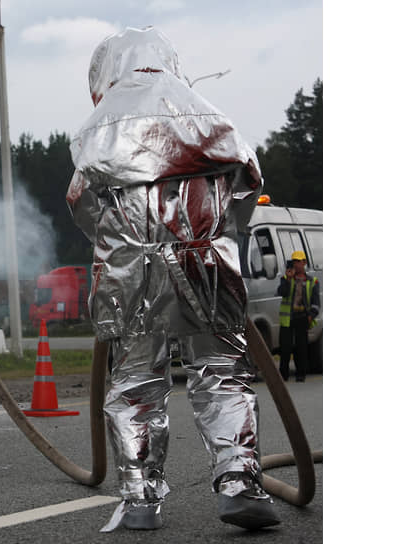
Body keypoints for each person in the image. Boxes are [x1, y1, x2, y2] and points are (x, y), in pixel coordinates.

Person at [66, 27, 280, 531]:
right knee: (222, 373)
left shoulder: (97, 125)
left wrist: (116, 244)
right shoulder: (209, 114)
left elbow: (81, 203)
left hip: (130, 273)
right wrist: (221, 234)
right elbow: (248, 182)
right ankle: (238, 483)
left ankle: (140, 497)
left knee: (137, 382)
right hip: (207, 265)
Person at [277, 250, 320, 382]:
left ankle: (301, 374)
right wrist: (289, 279)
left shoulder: (312, 281)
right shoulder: (285, 279)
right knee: (285, 348)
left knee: (301, 348)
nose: (296, 264)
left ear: (304, 263)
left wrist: (311, 316)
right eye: (294, 261)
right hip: (287, 319)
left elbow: (316, 302)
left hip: (302, 317)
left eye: (298, 261)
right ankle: (283, 375)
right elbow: (282, 292)